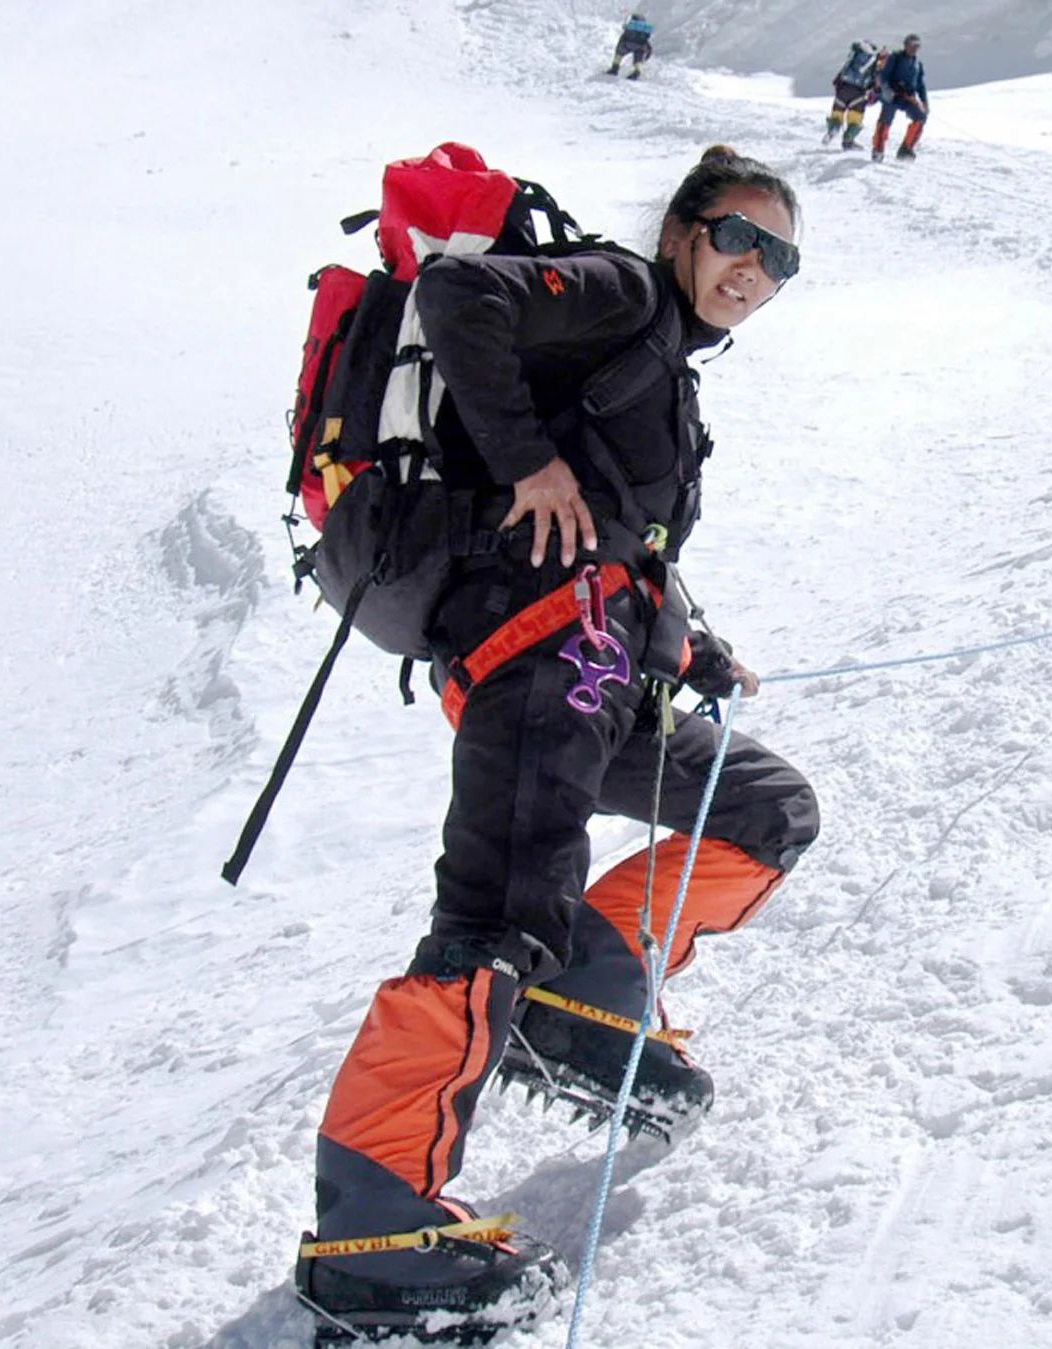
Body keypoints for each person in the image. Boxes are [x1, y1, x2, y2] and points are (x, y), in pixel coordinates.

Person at [294, 145, 820, 1341]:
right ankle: (374, 1221)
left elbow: (624, 542)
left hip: (601, 671)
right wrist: (527, 464)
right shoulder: (626, 294)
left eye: (781, 259)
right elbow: (460, 297)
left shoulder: (656, 371)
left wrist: (688, 640)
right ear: (686, 228)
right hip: (538, 657)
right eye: (741, 237)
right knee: (495, 911)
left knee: (763, 809)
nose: (757, 269)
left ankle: (587, 984)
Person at [873, 33, 930, 162]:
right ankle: (878, 150)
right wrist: (890, 89)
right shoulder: (895, 58)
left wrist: (924, 102)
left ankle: (906, 149)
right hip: (892, 96)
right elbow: (884, 76)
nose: (914, 48)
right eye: (912, 45)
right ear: (906, 45)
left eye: (917, 46)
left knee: (920, 117)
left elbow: (921, 85)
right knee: (885, 122)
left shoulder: (918, 64)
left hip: (907, 97)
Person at [824, 40, 885, 150]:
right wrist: (877, 92)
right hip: (859, 94)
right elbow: (877, 81)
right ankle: (848, 141)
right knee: (855, 120)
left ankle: (834, 128)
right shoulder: (874, 62)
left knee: (837, 115)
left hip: (843, 90)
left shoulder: (854, 58)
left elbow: (840, 75)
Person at [607, 11, 655, 78]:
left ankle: (615, 68)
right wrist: (646, 57)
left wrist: (619, 48)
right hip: (641, 47)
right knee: (638, 60)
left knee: (619, 53)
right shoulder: (644, 33)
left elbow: (621, 42)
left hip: (628, 44)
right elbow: (647, 45)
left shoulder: (629, 30)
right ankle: (637, 71)